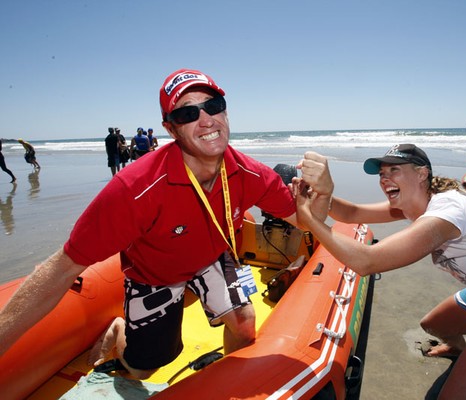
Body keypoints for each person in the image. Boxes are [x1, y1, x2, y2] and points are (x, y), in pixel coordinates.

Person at [0, 68, 329, 380]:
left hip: (214, 256)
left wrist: (327, 192)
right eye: (187, 114)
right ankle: (119, 330)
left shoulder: (248, 172)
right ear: (170, 129)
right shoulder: (133, 190)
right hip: (155, 273)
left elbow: (304, 219)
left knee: (245, 321)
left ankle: (228, 384)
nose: (205, 119)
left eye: (213, 106)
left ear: (225, 113)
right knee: (145, 368)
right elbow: (61, 268)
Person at [293, 144, 466, 399]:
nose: (384, 179)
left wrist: (311, 220)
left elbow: (368, 262)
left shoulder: (446, 213)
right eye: (382, 173)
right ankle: (460, 349)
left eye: (394, 170)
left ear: (422, 173)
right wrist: (321, 193)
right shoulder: (416, 206)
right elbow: (351, 212)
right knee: (432, 325)